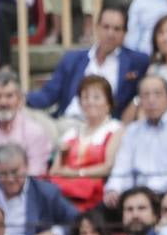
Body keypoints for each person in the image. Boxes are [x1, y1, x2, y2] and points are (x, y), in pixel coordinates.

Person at [26, 5, 150, 126]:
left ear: (125, 33)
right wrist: (21, 98)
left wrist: (136, 102)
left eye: (117, 29)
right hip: (69, 122)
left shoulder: (137, 61)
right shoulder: (73, 59)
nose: (110, 33)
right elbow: (48, 95)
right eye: (106, 27)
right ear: (97, 27)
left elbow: (149, 88)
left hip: (107, 128)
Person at [103, 75, 167, 205]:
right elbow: (122, 167)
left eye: (157, 94)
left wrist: (145, 193)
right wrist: (114, 189)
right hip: (134, 196)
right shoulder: (133, 130)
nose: (151, 100)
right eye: (145, 95)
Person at [48, 76, 124, 212]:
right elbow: (55, 169)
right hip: (65, 190)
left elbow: (108, 167)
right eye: (85, 97)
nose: (90, 102)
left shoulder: (115, 129)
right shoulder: (72, 133)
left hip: (94, 193)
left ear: (108, 103)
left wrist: (76, 173)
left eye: (96, 97)